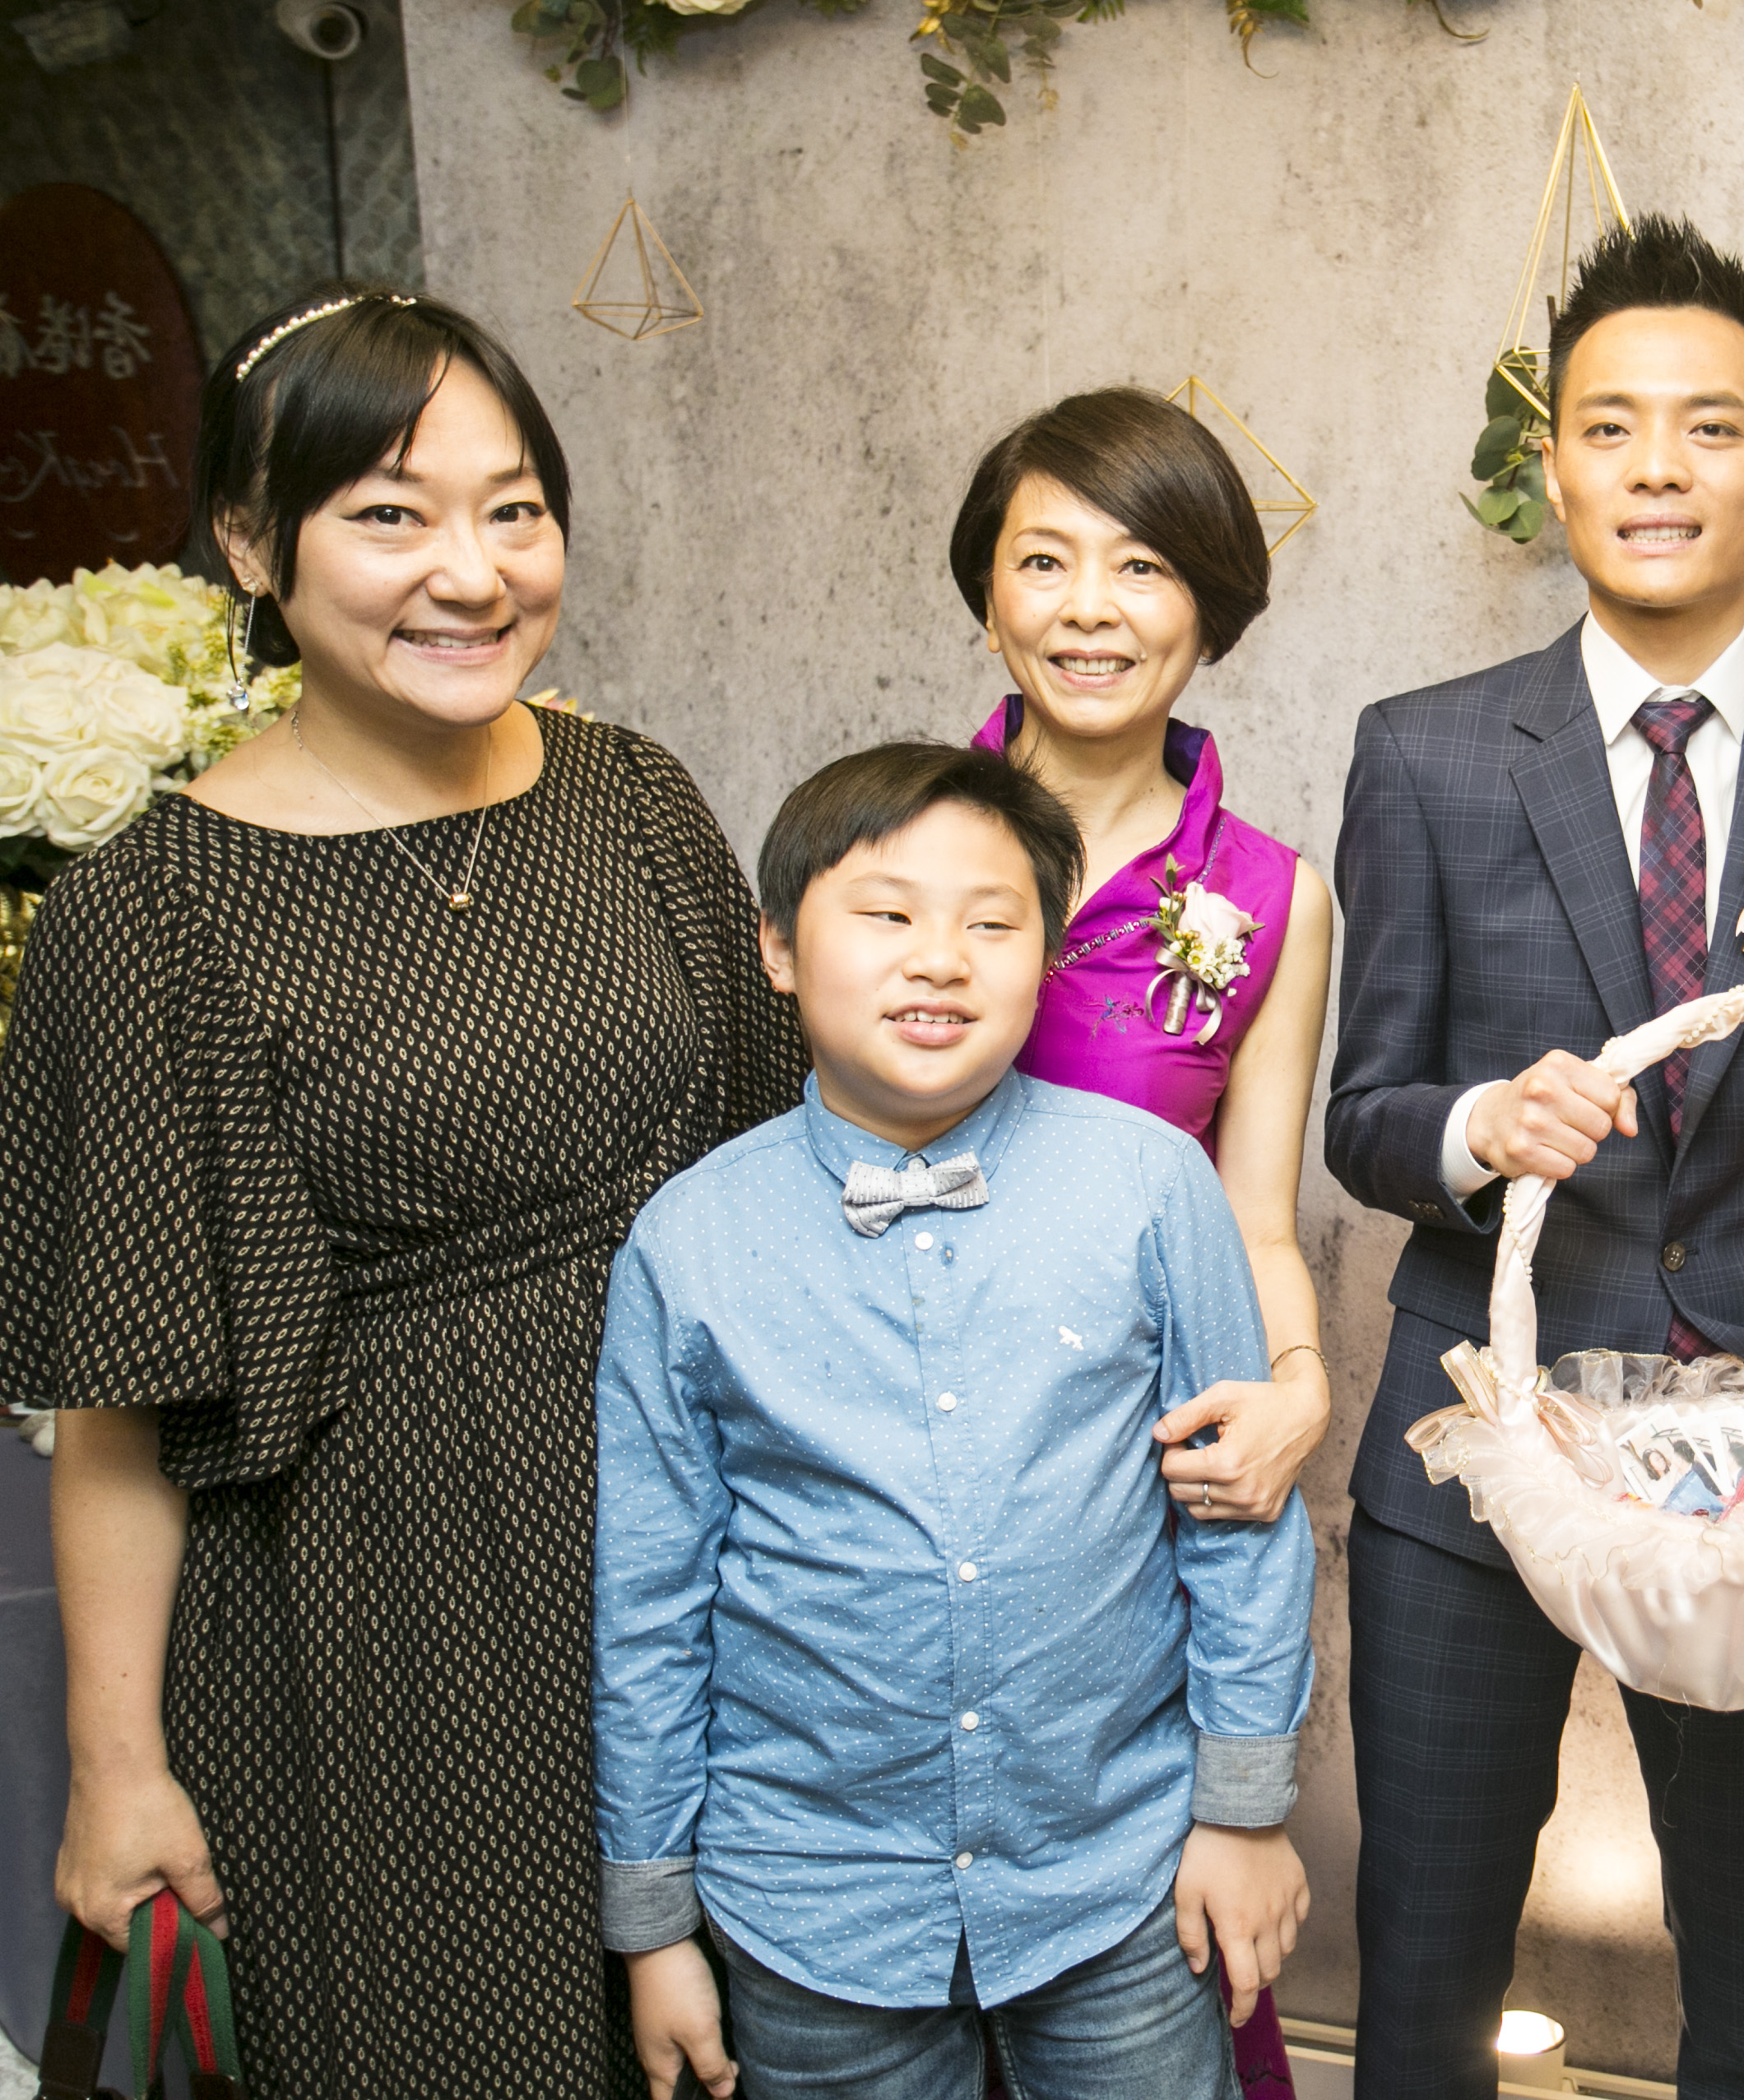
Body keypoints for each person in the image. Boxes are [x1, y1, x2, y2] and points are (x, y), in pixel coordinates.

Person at [2, 285, 801, 2097]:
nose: (472, 572)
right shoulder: (149, 919)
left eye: (514, 510)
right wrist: (116, 1771)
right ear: (248, 541)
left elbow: (775, 1178)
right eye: (389, 514)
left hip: (704, 1555)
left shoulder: (634, 800)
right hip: (370, 1619)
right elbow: (118, 1411)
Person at [1325, 216, 1744, 2100]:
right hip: (1480, 1443)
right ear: (1554, 468)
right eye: (1612, 428)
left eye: (1710, 426)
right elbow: (1366, 1111)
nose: (1659, 468)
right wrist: (1478, 1128)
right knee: (1426, 1974)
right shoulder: (1428, 753)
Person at [596, 742, 1315, 2100]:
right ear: (779, 949)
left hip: (1117, 1877)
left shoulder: (1153, 1186)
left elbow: (1238, 1525)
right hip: (810, 1903)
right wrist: (653, 1923)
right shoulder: (688, 1243)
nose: (939, 960)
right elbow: (649, 1602)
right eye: (886, 915)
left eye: (992, 925)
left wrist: (1243, 1811)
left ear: (1044, 963)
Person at [949, 389, 1336, 1534]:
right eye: (1044, 562)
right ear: (989, 605)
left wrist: (1301, 1387)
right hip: (889, 1397)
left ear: (1206, 614)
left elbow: (1255, 1225)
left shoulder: (1276, 898)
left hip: (1126, 1444)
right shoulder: (886, 848)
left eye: (1142, 567)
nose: (1088, 608)